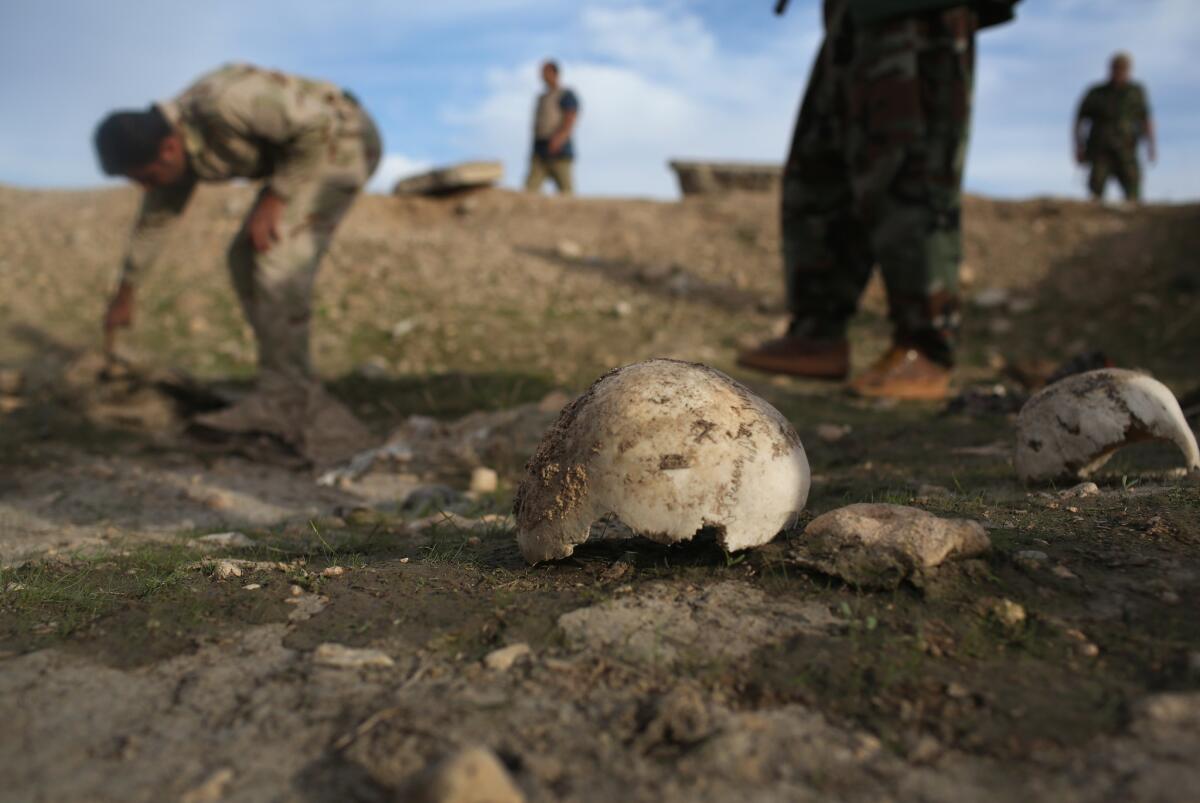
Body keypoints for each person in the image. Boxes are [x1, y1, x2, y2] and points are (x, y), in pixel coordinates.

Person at [94, 63, 382, 461]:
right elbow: (155, 222)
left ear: (169, 149)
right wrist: (126, 290)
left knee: (276, 258)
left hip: (342, 140)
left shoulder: (225, 105)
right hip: (306, 152)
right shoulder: (174, 149)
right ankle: (282, 386)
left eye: (146, 176)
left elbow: (316, 125)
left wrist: (277, 196)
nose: (146, 187)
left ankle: (287, 400)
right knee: (243, 258)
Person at [738, 0, 1020, 401]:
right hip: (850, 17)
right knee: (818, 173)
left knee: (910, 173)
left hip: (918, 15)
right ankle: (818, 332)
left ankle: (925, 348)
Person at [1074, 52, 1155, 203]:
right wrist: (1078, 147)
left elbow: (1146, 119)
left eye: (1123, 69)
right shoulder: (1097, 93)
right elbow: (1079, 120)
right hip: (1101, 149)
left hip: (1127, 148)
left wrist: (1151, 146)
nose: (1120, 72)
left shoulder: (1136, 92)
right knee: (1095, 191)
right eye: (1117, 68)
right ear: (1110, 69)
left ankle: (1132, 222)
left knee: (1133, 190)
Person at [524, 60, 580, 196]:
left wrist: (560, 138)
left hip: (559, 149)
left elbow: (570, 117)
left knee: (566, 191)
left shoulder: (566, 94)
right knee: (529, 191)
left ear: (555, 73)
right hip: (540, 149)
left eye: (545, 72)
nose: (542, 75)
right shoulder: (542, 98)